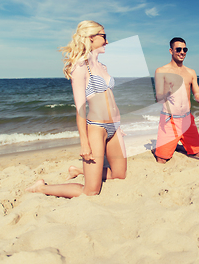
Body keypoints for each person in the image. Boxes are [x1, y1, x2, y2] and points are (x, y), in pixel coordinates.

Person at [26, 20, 127, 197]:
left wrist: (119, 124)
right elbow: (80, 109)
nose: (107, 42)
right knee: (91, 191)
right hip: (97, 128)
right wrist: (84, 142)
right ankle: (42, 187)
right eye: (104, 36)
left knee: (120, 175)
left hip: (115, 127)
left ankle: (79, 170)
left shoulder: (103, 66)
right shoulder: (80, 67)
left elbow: (110, 100)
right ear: (90, 37)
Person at [153, 37, 199, 163]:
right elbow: (158, 97)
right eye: (178, 49)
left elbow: (198, 96)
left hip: (187, 119)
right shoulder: (161, 71)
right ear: (171, 51)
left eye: (185, 49)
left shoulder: (191, 72)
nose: (182, 52)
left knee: (197, 154)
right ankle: (168, 144)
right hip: (169, 120)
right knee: (162, 159)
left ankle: (177, 144)